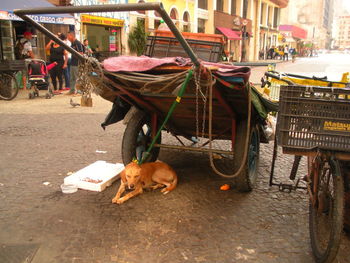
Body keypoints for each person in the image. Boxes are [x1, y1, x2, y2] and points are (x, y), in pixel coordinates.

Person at [66, 31, 84, 95]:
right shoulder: (72, 43)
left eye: (68, 36)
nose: (67, 38)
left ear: (71, 36)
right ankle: (72, 90)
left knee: (78, 77)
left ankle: (80, 91)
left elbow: (81, 53)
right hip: (72, 62)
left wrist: (74, 53)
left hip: (77, 63)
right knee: (72, 77)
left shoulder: (77, 43)